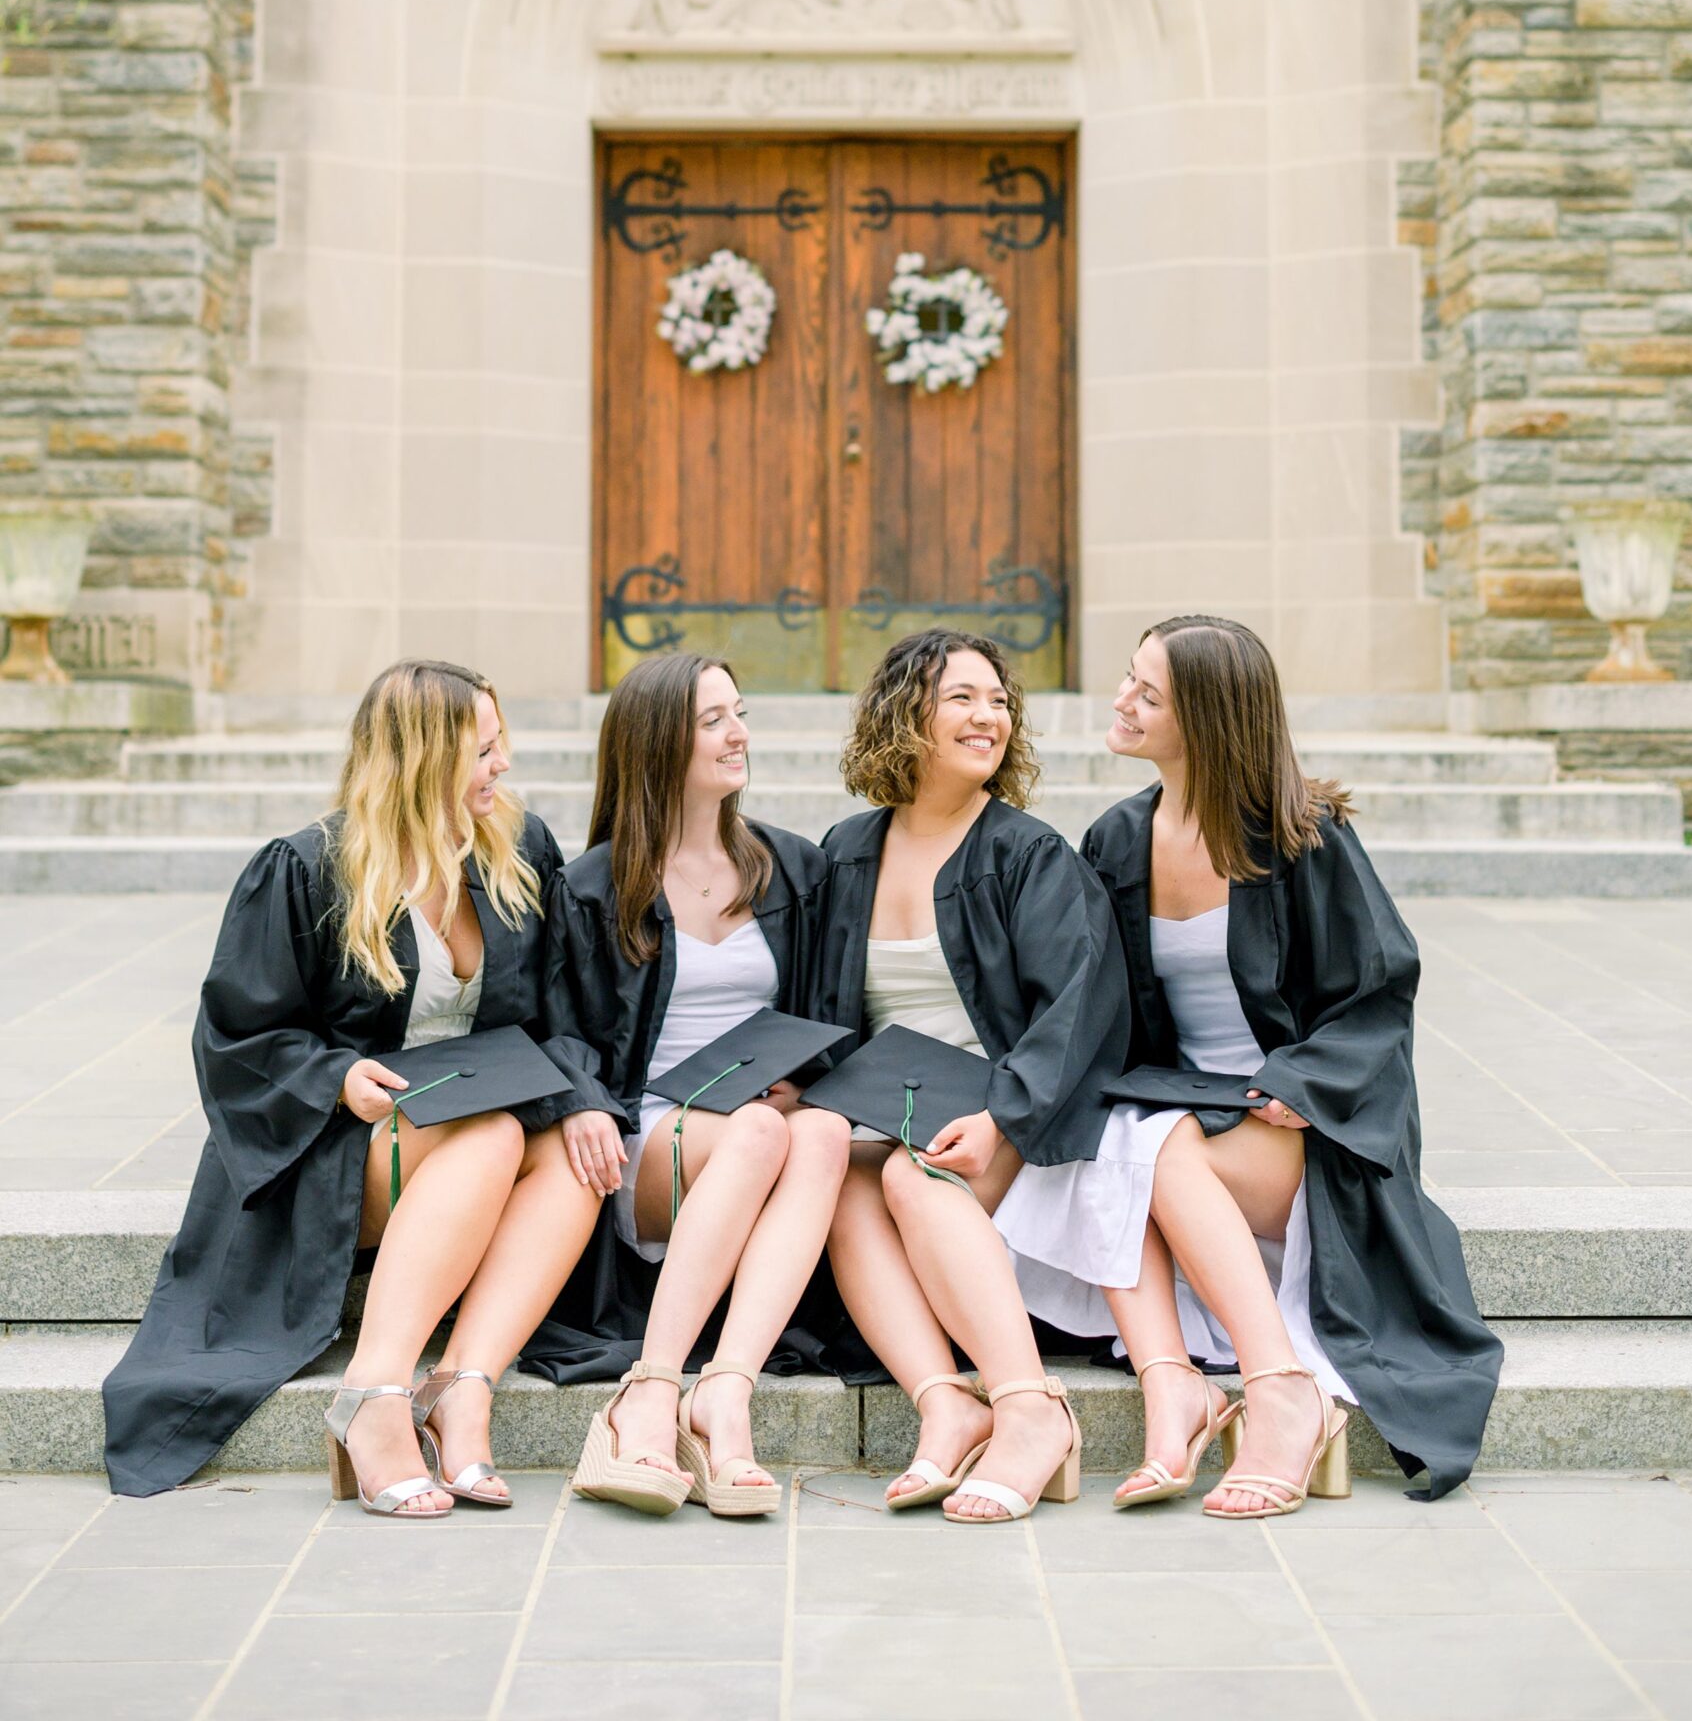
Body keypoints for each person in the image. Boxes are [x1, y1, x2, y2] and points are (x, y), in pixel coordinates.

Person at [996, 615, 1503, 1512]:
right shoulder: (1118, 840)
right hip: (1177, 1115)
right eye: (1128, 678)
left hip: (1298, 1131)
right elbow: (1088, 1008)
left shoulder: (1303, 837)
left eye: (1147, 694)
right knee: (1116, 1139)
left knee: (1152, 1147)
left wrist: (1300, 1084)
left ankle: (1278, 1390)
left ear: (1209, 717)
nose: (1120, 700)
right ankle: (1171, 1393)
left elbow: (1377, 993)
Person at [103, 659, 602, 1512]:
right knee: (492, 1133)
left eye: (500, 744)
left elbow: (562, 1010)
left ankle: (461, 1388)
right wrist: (335, 1076)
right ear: (420, 759)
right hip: (345, 1140)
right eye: (484, 750)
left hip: (488, 1116)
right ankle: (372, 1400)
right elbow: (236, 1033)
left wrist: (585, 1097)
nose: (502, 765)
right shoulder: (307, 870)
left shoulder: (520, 854)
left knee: (575, 1149)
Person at [817, 630, 1129, 1525]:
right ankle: (945, 1406)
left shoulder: (1027, 856)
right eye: (961, 697)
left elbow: (1076, 1010)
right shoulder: (847, 851)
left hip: (1001, 1115)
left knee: (920, 1177)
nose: (987, 715)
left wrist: (1002, 1117)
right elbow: (827, 1015)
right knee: (840, 1182)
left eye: (997, 700)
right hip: (882, 1111)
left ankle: (1028, 1410)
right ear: (904, 713)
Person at [531, 652, 850, 1516]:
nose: (737, 733)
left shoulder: (791, 869)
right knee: (759, 1132)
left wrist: (799, 1077)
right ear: (655, 739)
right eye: (712, 720)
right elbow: (556, 1023)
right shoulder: (595, 885)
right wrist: (583, 1102)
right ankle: (654, 1385)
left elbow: (826, 1013)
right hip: (649, 1144)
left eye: (738, 713)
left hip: (764, 1132)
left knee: (816, 1129)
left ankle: (725, 1393)